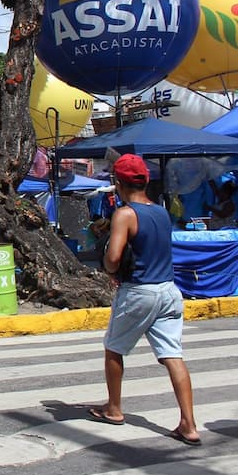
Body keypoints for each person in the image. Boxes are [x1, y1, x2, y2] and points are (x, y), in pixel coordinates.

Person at [89, 153, 200, 446]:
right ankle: (188, 424)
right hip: (168, 291)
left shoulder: (125, 214)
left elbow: (113, 259)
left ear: (117, 182)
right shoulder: (161, 212)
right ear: (146, 180)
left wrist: (109, 267)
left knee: (114, 348)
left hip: (139, 291)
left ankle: (114, 408)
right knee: (173, 356)